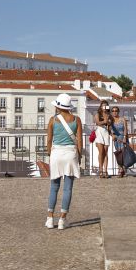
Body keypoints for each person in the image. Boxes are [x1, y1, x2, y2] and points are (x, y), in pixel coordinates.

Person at [45, 93, 82, 230]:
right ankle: (62, 219)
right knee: (67, 188)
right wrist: (79, 156)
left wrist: (50, 154)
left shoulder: (52, 120)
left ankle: (50, 218)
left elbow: (49, 140)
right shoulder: (76, 120)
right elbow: (79, 141)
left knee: (54, 187)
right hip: (70, 154)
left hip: (56, 153)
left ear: (58, 106)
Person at [93, 102, 112, 178]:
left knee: (106, 152)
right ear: (100, 107)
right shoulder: (98, 114)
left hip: (106, 133)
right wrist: (105, 121)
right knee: (101, 152)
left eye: (106, 106)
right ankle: (100, 170)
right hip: (99, 132)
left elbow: (110, 125)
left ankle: (105, 170)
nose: (104, 107)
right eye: (103, 106)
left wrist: (108, 121)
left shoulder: (109, 115)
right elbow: (98, 122)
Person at [110, 106, 129, 177]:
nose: (115, 112)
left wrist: (125, 137)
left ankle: (123, 169)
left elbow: (125, 129)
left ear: (118, 112)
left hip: (123, 138)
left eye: (116, 111)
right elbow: (109, 129)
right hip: (116, 139)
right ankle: (120, 169)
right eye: (113, 111)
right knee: (118, 154)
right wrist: (112, 135)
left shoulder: (123, 119)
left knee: (123, 154)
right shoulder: (111, 120)